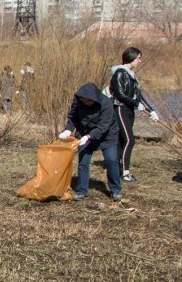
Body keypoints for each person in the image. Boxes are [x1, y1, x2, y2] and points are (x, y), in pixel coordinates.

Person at [58, 82, 123, 202]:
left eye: (88, 101)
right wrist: (68, 130)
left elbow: (103, 126)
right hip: (84, 132)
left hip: (107, 135)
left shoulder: (106, 103)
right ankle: (82, 191)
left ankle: (116, 190)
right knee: (83, 161)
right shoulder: (78, 102)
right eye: (84, 101)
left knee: (111, 160)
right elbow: (73, 117)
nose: (86, 103)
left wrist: (89, 137)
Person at [108, 47, 160, 183]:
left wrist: (151, 110)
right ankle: (125, 172)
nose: (140, 61)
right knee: (129, 140)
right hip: (120, 108)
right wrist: (136, 104)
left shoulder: (132, 75)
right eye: (138, 58)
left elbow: (139, 96)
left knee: (121, 140)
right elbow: (120, 93)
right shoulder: (120, 73)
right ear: (130, 57)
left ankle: (116, 168)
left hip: (129, 110)